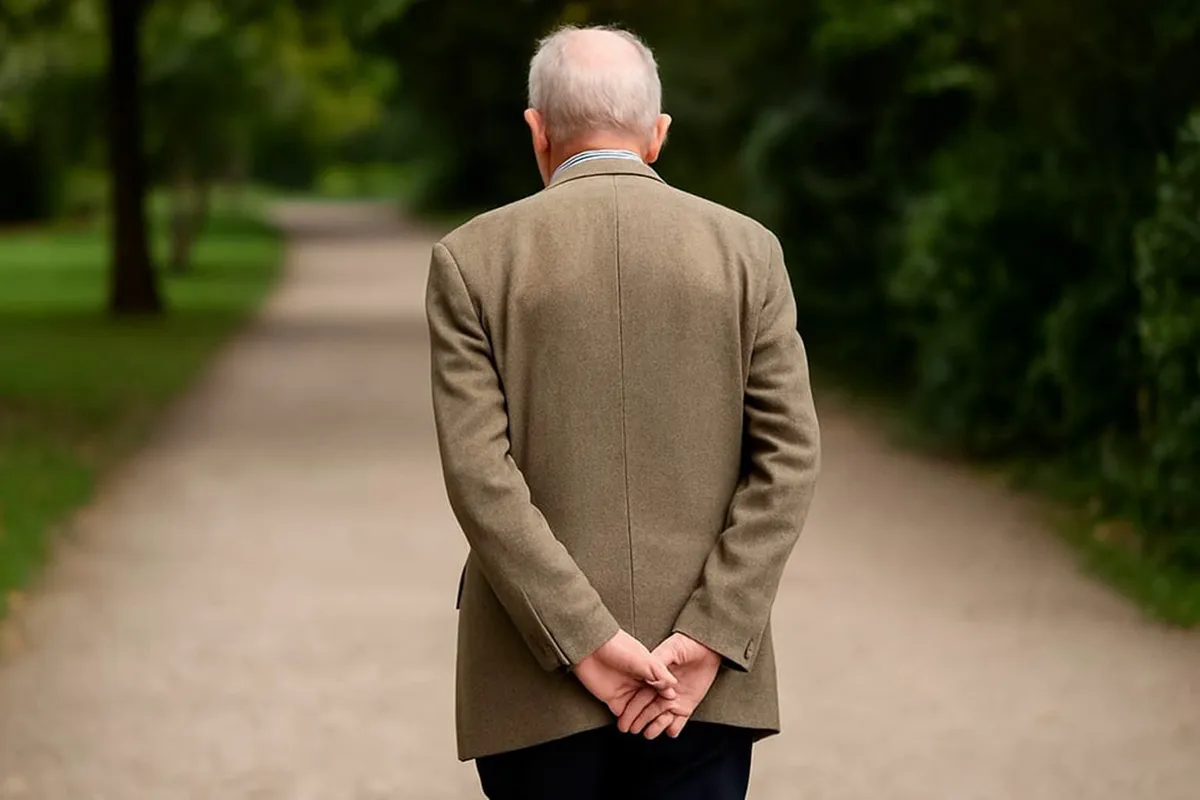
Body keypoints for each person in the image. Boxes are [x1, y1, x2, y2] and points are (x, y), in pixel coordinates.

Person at [425, 24, 821, 800]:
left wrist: (585, 640)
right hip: (699, 685)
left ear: (537, 132)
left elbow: (479, 476)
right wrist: (711, 634)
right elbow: (790, 460)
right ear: (658, 133)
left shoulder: (471, 260)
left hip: (534, 678)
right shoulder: (749, 252)